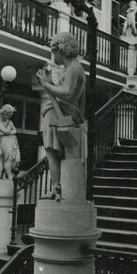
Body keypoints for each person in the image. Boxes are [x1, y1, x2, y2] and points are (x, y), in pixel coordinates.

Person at [36, 32, 86, 200]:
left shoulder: (73, 68)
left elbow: (66, 92)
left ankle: (57, 188)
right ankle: (59, 188)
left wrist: (46, 85)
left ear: (63, 49)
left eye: (55, 51)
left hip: (59, 114)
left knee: (51, 154)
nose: (54, 55)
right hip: (64, 113)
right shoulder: (74, 68)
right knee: (58, 154)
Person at [0, 103, 21, 179]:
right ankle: (8, 174)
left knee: (17, 158)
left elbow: (15, 131)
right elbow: (6, 131)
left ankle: (8, 172)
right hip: (5, 141)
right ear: (4, 113)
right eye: (8, 115)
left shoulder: (9, 121)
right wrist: (9, 129)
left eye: (10, 115)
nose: (9, 117)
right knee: (8, 158)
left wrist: (9, 131)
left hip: (13, 140)